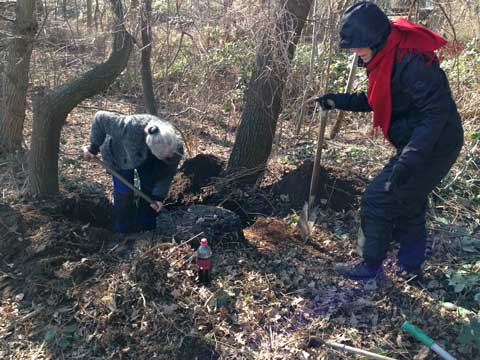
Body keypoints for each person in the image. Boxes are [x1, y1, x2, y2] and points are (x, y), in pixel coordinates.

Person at [316, 1, 463, 280]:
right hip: (420, 140)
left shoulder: (411, 61)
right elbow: (378, 100)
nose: (356, 53)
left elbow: (435, 113)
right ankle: (410, 267)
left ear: (374, 39)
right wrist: (337, 100)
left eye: (359, 46)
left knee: (378, 198)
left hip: (435, 143)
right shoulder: (384, 57)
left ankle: (369, 266)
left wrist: (410, 158)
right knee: (408, 201)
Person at [83, 111, 183, 233]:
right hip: (119, 155)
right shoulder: (130, 127)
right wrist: (93, 147)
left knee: (150, 191)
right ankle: (122, 228)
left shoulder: (175, 147)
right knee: (123, 193)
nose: (171, 155)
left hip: (147, 160)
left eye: (170, 153)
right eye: (167, 154)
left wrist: (158, 197)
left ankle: (146, 227)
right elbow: (100, 118)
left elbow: (166, 175)